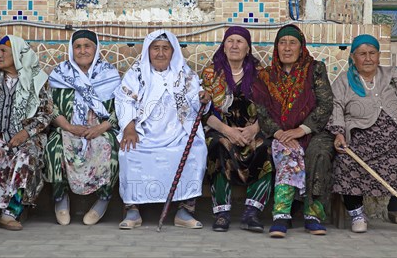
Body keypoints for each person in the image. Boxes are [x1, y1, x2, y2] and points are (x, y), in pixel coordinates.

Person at [329, 34, 397, 235]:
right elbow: (335, 107)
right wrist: (339, 133)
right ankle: (357, 215)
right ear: (352, 57)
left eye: (372, 53)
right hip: (360, 139)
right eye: (362, 54)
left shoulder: (391, 75)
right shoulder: (343, 81)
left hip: (396, 138)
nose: (367, 58)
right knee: (346, 162)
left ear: (378, 56)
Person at [114, 30, 210, 229]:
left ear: (173, 52)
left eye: (165, 48)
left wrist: (203, 97)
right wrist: (129, 128)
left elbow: (195, 100)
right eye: (155, 48)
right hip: (144, 133)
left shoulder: (185, 74)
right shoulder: (136, 74)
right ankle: (132, 210)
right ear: (148, 51)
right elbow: (124, 100)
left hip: (178, 133)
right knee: (128, 152)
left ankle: (185, 211)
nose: (160, 53)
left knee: (196, 150)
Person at [0, 35, 53, 232]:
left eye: (3, 51)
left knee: (26, 155)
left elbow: (46, 113)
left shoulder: (37, 81)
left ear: (17, 53)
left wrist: (26, 132)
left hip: (24, 137)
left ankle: (11, 213)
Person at [255, 24, 334, 238]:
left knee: (319, 154)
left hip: (312, 131)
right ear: (276, 47)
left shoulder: (315, 69)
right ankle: (281, 215)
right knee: (287, 152)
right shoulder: (265, 76)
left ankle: (313, 215)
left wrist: (302, 129)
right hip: (279, 133)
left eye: (292, 43)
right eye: (282, 43)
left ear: (301, 47)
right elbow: (261, 109)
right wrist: (279, 133)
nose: (287, 48)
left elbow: (325, 104)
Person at [44, 29, 121, 226]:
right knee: (55, 148)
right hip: (67, 128)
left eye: (87, 46)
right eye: (77, 46)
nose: (82, 51)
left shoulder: (109, 74)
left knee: (110, 147)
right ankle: (60, 198)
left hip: (101, 128)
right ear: (71, 49)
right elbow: (49, 107)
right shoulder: (60, 74)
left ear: (96, 50)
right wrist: (68, 127)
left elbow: (120, 109)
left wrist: (100, 128)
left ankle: (103, 200)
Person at [200, 26, 273, 232]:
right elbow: (205, 113)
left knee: (266, 147)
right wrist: (228, 131)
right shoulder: (211, 73)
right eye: (230, 41)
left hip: (253, 130)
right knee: (217, 145)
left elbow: (269, 109)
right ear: (223, 46)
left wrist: (253, 130)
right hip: (221, 129)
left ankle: (252, 212)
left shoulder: (261, 74)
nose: (234, 45)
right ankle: (222, 213)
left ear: (248, 48)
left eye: (239, 41)